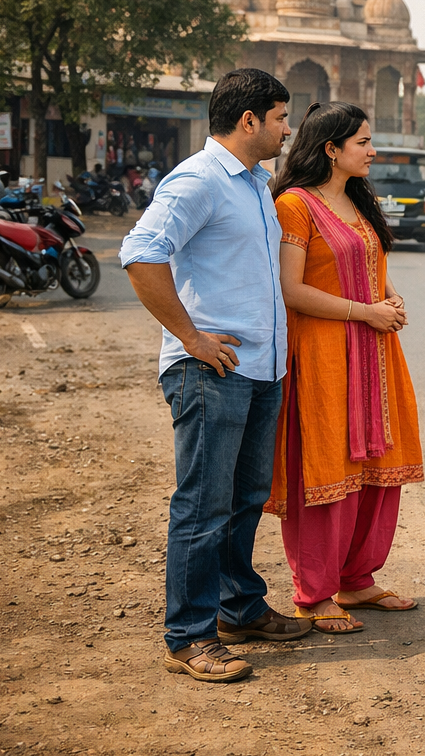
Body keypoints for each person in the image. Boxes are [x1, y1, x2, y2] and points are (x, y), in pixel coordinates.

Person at [120, 67, 309, 683]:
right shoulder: (198, 180)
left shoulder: (256, 183)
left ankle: (238, 609)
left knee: (245, 500)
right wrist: (191, 337)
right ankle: (190, 637)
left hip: (260, 369)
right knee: (202, 506)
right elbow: (140, 255)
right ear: (250, 120)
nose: (288, 129)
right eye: (281, 118)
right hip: (212, 371)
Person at [268, 102, 424, 634]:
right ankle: (313, 595)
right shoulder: (295, 206)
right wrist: (367, 311)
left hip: (375, 355)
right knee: (326, 472)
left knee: (378, 471)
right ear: (331, 148)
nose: (372, 150)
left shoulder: (359, 201)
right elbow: (293, 290)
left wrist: (391, 297)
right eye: (363, 141)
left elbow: (371, 267)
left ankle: (357, 580)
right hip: (324, 356)